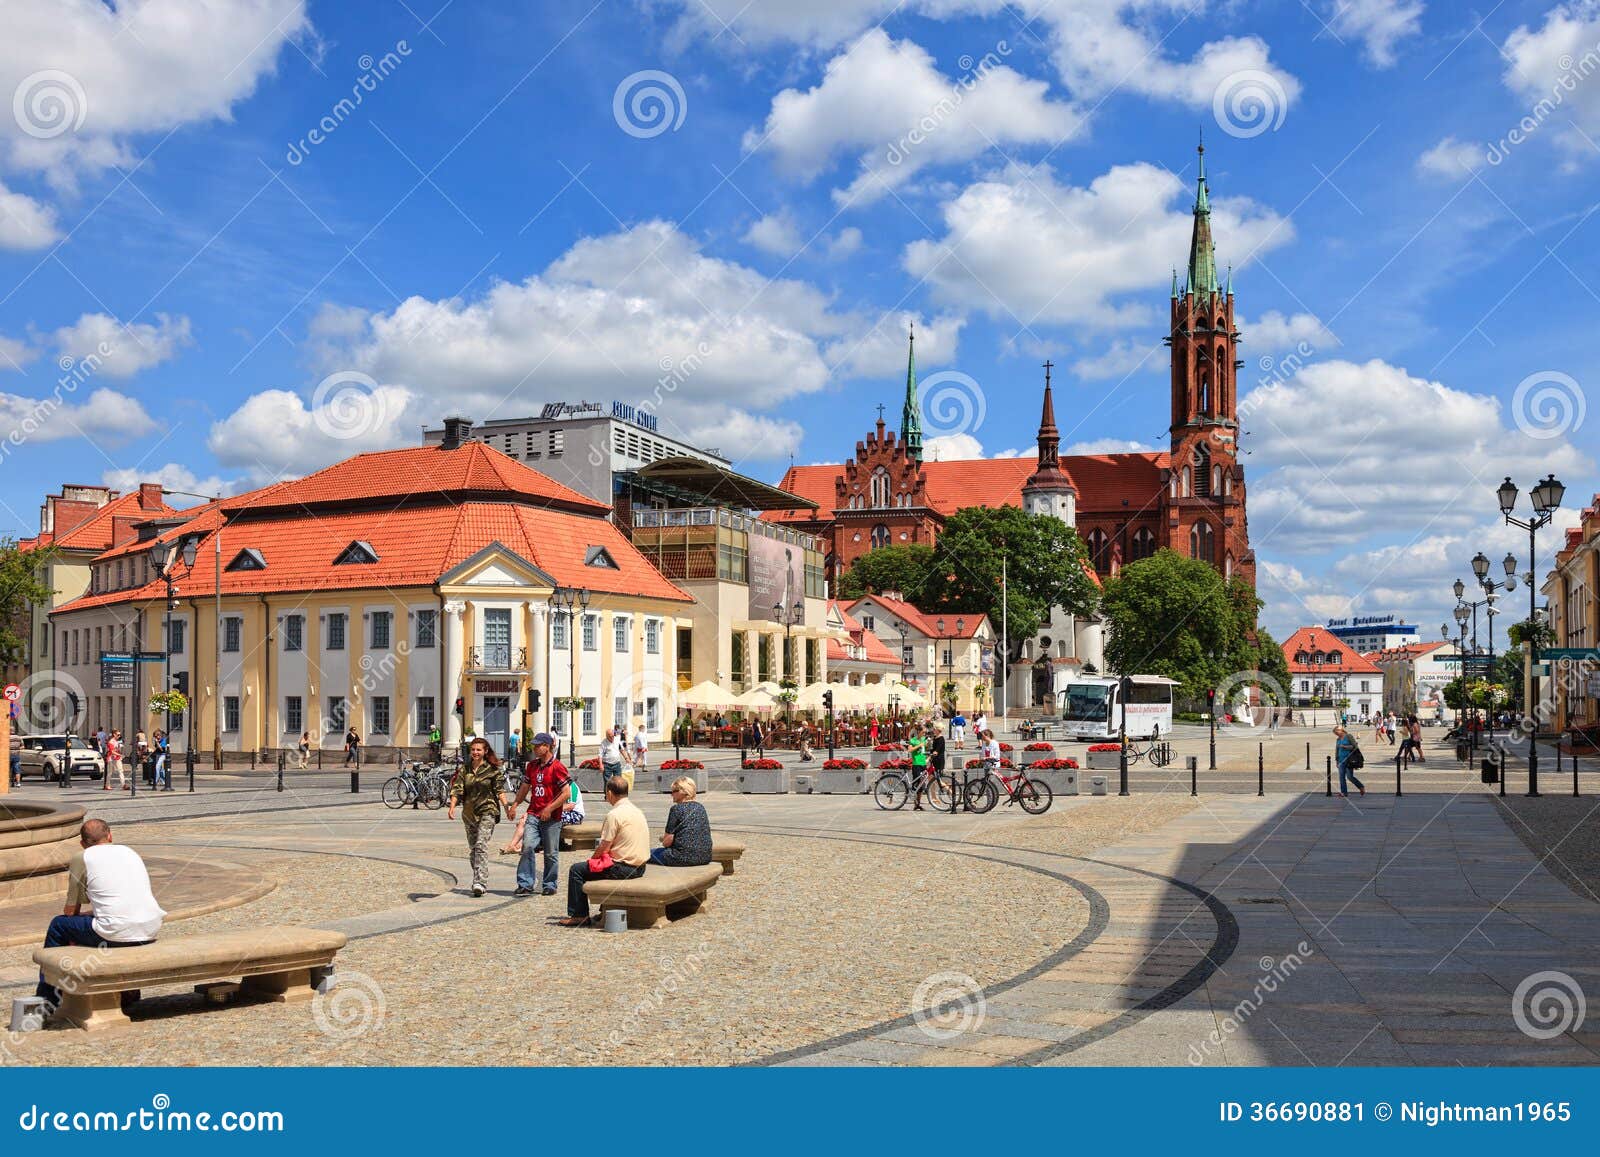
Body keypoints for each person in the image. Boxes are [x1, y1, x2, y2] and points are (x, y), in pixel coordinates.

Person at [35, 818, 166, 1013]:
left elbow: (71, 911)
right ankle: (128, 993)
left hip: (116, 932)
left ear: (82, 843)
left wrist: (87, 912)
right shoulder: (129, 852)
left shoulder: (82, 857)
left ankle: (46, 1000)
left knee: (59, 925)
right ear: (110, 836)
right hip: (150, 926)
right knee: (97, 923)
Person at [557, 775, 649, 926]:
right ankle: (603, 907)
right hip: (640, 867)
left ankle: (579, 915)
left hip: (624, 868)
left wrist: (592, 860)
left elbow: (604, 846)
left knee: (577, 870)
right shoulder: (637, 811)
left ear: (610, 793)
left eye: (606, 793)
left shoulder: (614, 814)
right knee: (596, 868)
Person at [508, 732, 571, 897]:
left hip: (552, 817)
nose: (534, 749)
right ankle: (525, 883)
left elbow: (566, 793)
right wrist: (514, 805)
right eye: (534, 746)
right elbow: (524, 788)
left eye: (538, 745)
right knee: (527, 846)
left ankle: (550, 884)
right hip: (534, 813)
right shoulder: (532, 766)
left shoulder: (557, 767)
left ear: (547, 746)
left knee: (551, 852)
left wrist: (550, 808)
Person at [446, 737, 503, 897]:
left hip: (488, 810)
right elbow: (457, 789)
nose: (475, 753)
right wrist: (452, 807)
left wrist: (507, 806)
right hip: (469, 813)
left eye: (479, 750)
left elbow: (499, 790)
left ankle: (480, 882)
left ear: (485, 751)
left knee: (480, 846)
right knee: (473, 850)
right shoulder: (465, 770)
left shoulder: (492, 770)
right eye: (473, 750)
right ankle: (479, 876)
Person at [650, 776, 712, 866]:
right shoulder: (700, 807)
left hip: (681, 857)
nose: (671, 794)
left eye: (674, 791)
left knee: (646, 854)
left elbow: (667, 842)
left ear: (683, 792)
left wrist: (663, 840)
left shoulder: (676, 809)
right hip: (705, 857)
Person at [1333, 725, 1365, 798]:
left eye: (1337, 732)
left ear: (1341, 730)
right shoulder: (1338, 739)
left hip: (1349, 760)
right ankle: (1344, 792)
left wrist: (1345, 747)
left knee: (1350, 777)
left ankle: (1361, 786)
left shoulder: (1348, 736)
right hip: (1341, 760)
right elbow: (1337, 750)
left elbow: (1355, 746)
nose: (1336, 734)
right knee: (1341, 777)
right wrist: (1337, 761)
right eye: (1335, 733)